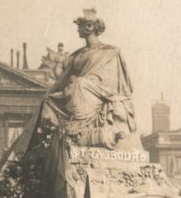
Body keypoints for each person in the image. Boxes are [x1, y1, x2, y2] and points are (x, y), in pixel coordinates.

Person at [41, 8, 139, 151]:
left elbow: (113, 81)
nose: (77, 29)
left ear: (90, 27)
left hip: (97, 93)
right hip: (76, 92)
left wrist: (85, 81)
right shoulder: (77, 54)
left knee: (80, 83)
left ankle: (78, 128)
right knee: (49, 100)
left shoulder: (109, 51)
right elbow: (58, 71)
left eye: (79, 25)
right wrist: (68, 77)